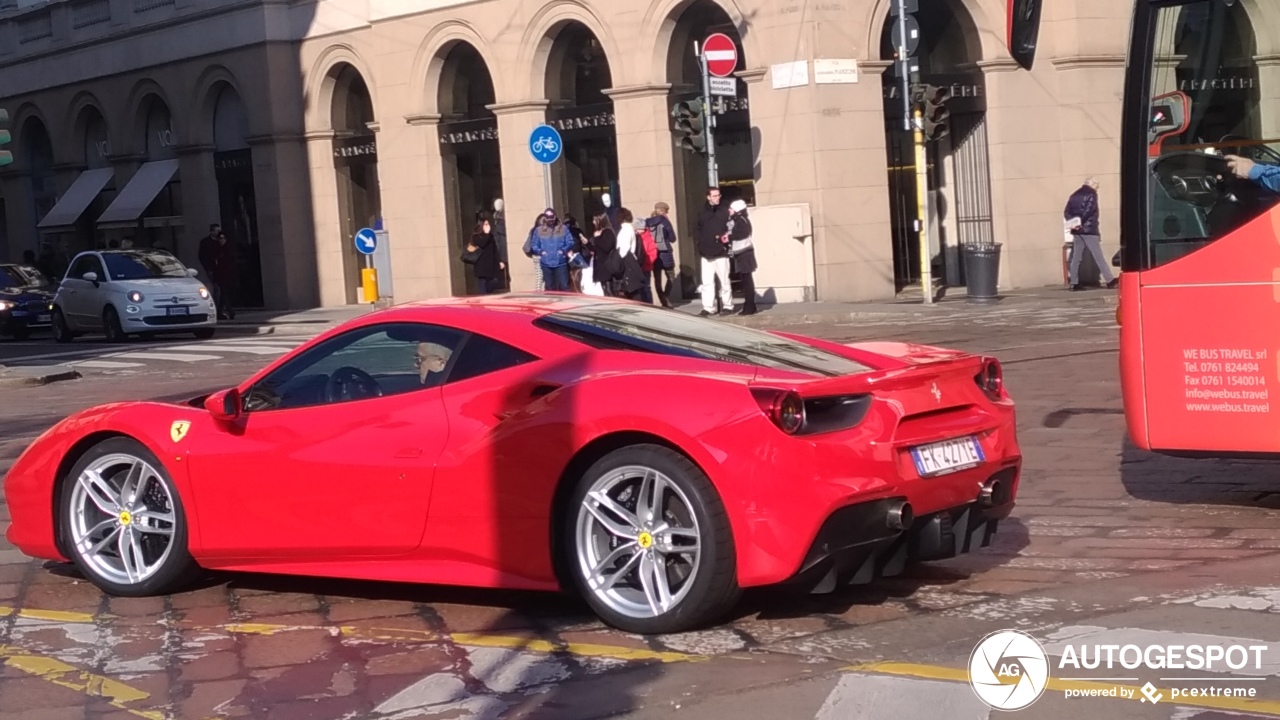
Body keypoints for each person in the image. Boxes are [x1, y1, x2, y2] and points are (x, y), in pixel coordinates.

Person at [1063, 177, 1117, 291]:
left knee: (1076, 257)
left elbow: (1066, 212)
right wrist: (1081, 222)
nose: (1097, 188)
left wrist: (1074, 223)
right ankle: (1110, 280)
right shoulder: (1091, 194)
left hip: (1077, 231)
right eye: (1097, 185)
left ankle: (1074, 282)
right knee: (1098, 256)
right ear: (1092, 184)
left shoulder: (1074, 195)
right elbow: (1089, 210)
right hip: (1089, 230)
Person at [696, 186, 733, 315]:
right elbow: (698, 229)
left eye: (719, 195)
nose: (718, 198)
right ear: (708, 197)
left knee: (724, 280)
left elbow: (730, 227)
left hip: (721, 251)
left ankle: (728, 305)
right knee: (707, 282)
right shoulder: (702, 211)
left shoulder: (725, 210)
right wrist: (700, 244)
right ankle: (708, 307)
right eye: (715, 196)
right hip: (705, 251)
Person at [530, 209, 575, 292]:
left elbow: (570, 242)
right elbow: (534, 245)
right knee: (549, 288)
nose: (550, 221)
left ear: (555, 217)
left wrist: (563, 250)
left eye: (551, 218)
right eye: (548, 218)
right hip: (546, 263)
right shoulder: (539, 230)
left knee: (564, 286)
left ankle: (566, 303)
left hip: (561, 262)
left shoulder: (563, 228)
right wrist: (541, 252)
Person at [726, 199, 758, 316]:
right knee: (746, 280)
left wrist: (728, 237)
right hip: (742, 253)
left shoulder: (741, 220)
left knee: (747, 280)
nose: (729, 210)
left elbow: (742, 234)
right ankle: (750, 305)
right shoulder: (738, 220)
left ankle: (749, 306)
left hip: (745, 253)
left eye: (731, 208)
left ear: (737, 210)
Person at [645, 202, 678, 308]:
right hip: (665, 253)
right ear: (663, 210)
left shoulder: (647, 222)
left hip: (653, 254)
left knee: (657, 279)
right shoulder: (665, 221)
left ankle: (663, 300)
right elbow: (673, 238)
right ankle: (665, 297)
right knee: (671, 277)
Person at [465, 215, 503, 294]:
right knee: (482, 284)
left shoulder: (490, 236)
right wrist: (487, 234)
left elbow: (495, 249)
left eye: (488, 224)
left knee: (495, 281)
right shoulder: (476, 236)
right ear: (481, 225)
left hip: (491, 263)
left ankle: (488, 293)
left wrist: (499, 261)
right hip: (481, 265)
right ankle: (484, 298)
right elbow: (482, 244)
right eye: (485, 224)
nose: (487, 226)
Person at [590, 213, 622, 296]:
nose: (593, 222)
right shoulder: (600, 232)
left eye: (595, 220)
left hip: (606, 266)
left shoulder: (608, 232)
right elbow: (597, 249)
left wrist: (597, 238)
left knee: (609, 290)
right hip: (601, 266)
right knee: (604, 289)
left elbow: (606, 247)